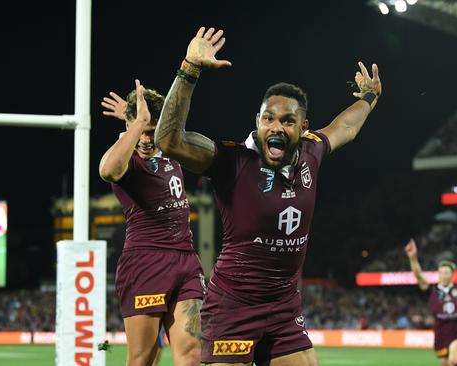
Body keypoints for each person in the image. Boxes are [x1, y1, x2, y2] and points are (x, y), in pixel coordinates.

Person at [154, 26, 382, 366]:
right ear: (257, 122)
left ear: (304, 127)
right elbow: (168, 140)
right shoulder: (231, 160)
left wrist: (369, 98)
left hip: (284, 306)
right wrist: (189, 69)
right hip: (233, 305)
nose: (276, 127)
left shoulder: (311, 152)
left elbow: (345, 126)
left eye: (288, 121)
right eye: (268, 119)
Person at [99, 82, 204, 366]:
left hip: (186, 262)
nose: (146, 140)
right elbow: (108, 170)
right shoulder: (127, 159)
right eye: (142, 132)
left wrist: (139, 119)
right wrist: (136, 123)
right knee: (144, 359)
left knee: (194, 355)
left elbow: (174, 117)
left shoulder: (170, 147)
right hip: (146, 263)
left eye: (152, 132)